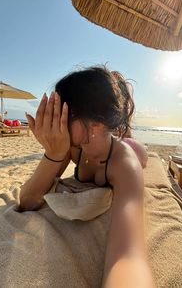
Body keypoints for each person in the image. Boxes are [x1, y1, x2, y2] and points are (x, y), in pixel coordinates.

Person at [21, 66, 155, 288]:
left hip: (131, 150)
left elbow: (130, 256)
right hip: (104, 138)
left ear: (95, 124)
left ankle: (132, 139)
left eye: (61, 113)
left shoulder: (124, 164)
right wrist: (53, 155)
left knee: (139, 152)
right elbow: (28, 201)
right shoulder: (70, 146)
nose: (55, 122)